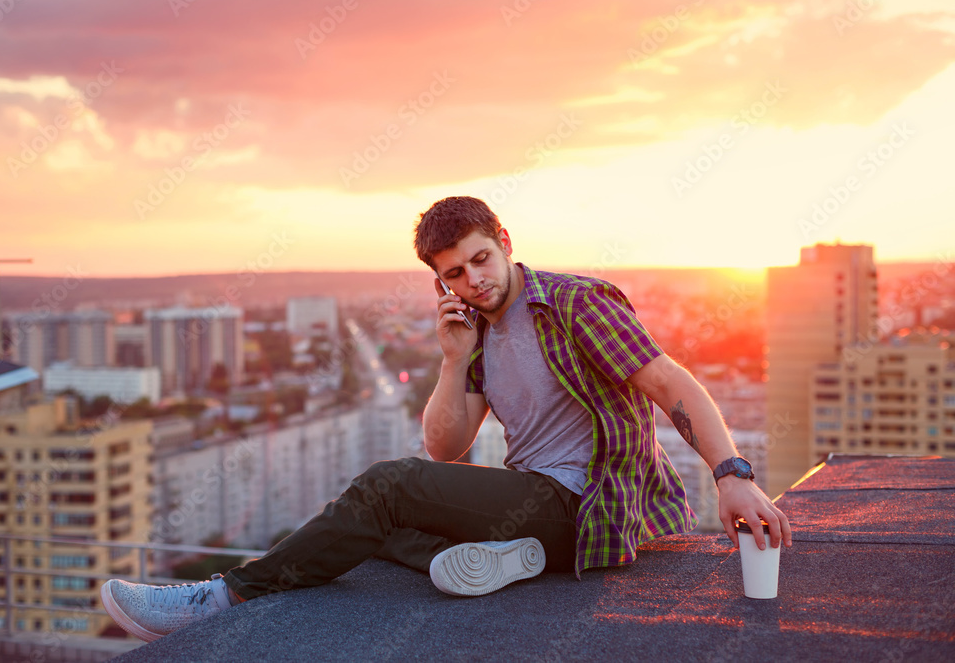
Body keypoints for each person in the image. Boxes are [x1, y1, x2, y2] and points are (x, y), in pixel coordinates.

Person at [101, 196, 791, 642]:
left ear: (505, 240)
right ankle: (501, 561)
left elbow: (672, 382)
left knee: (384, 486)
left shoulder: (576, 305)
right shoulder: (478, 332)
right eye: (454, 274)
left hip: (587, 504)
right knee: (369, 526)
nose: (474, 281)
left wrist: (732, 474)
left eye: (481, 260)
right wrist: (454, 360)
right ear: (440, 280)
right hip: (535, 512)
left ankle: (224, 595)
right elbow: (448, 446)